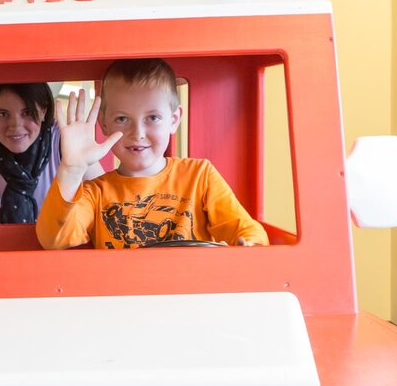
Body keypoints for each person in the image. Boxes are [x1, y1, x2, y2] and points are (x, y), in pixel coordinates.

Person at [36, 58, 268, 249]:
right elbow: (53, 239)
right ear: (104, 124)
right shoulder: (96, 193)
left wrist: (249, 245)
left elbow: (246, 230)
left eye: (153, 118)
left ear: (173, 120)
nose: (137, 133)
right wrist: (72, 170)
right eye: (122, 119)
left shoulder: (200, 176)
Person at [0, 82, 102, 224]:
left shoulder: (64, 138)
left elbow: (104, 199)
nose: (16, 125)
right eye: (3, 114)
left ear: (43, 111)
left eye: (27, 112)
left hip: (56, 230)